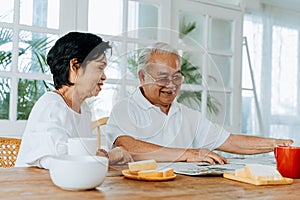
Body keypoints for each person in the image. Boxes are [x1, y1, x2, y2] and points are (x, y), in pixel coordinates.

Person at [106, 42, 293, 165]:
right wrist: (188, 154)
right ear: (142, 77)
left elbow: (230, 141)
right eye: (162, 78)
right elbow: (128, 147)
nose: (171, 85)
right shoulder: (125, 108)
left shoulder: (187, 115)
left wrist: (276, 143)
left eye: (177, 77)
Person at [15, 32, 133, 169]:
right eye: (100, 68)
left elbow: (83, 156)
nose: (104, 76)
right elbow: (60, 160)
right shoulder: (51, 105)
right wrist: (109, 156)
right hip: (33, 187)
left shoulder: (84, 110)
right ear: (75, 66)